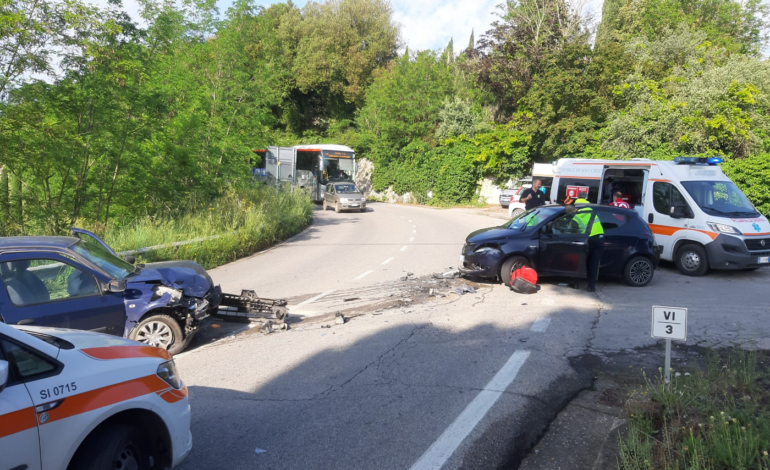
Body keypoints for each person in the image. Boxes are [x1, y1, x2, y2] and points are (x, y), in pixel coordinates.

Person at [567, 194, 604, 292]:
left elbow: (573, 231)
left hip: (588, 240)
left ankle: (575, 283)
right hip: (599, 238)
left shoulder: (577, 216)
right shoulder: (592, 211)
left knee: (580, 262)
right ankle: (591, 287)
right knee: (594, 264)